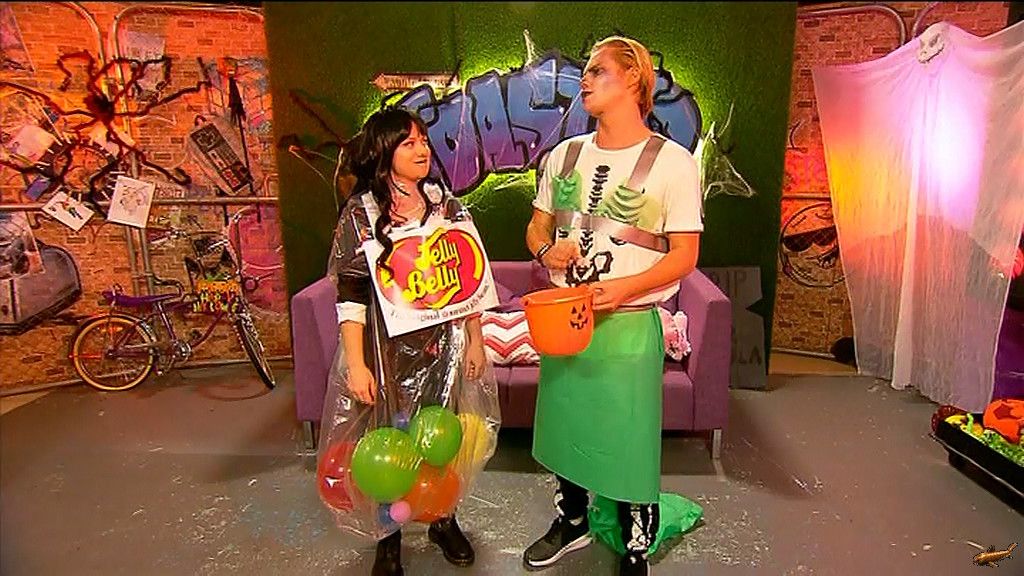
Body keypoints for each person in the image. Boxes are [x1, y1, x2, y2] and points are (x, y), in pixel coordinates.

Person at [523, 36, 703, 576]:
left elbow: (685, 255)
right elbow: (537, 226)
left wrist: (625, 289)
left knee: (629, 439)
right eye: (586, 71)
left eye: (598, 70)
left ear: (633, 79)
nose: (585, 79)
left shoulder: (673, 163)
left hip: (627, 324)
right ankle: (572, 519)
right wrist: (545, 250)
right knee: (566, 428)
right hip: (565, 321)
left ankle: (635, 546)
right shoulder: (564, 155)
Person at [323, 108, 497, 576]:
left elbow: (468, 281)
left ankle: (443, 518)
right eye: (409, 143)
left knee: (439, 434)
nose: (422, 150)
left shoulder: (443, 204)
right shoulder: (361, 214)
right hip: (385, 351)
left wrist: (475, 341)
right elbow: (350, 294)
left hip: (443, 348)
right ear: (384, 152)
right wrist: (357, 364)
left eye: (423, 140)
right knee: (390, 439)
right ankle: (389, 536)